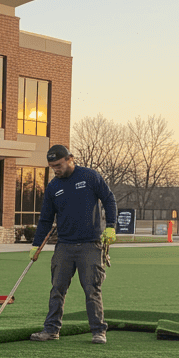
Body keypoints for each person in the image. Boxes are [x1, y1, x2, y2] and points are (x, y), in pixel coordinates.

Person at [28, 144, 117, 344]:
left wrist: (111, 226)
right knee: (57, 289)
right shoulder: (53, 187)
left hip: (90, 245)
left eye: (58, 165)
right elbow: (45, 219)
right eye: (52, 167)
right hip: (64, 246)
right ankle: (51, 330)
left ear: (70, 159)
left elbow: (109, 200)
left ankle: (98, 331)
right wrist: (36, 245)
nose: (56, 170)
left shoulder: (90, 177)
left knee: (91, 288)